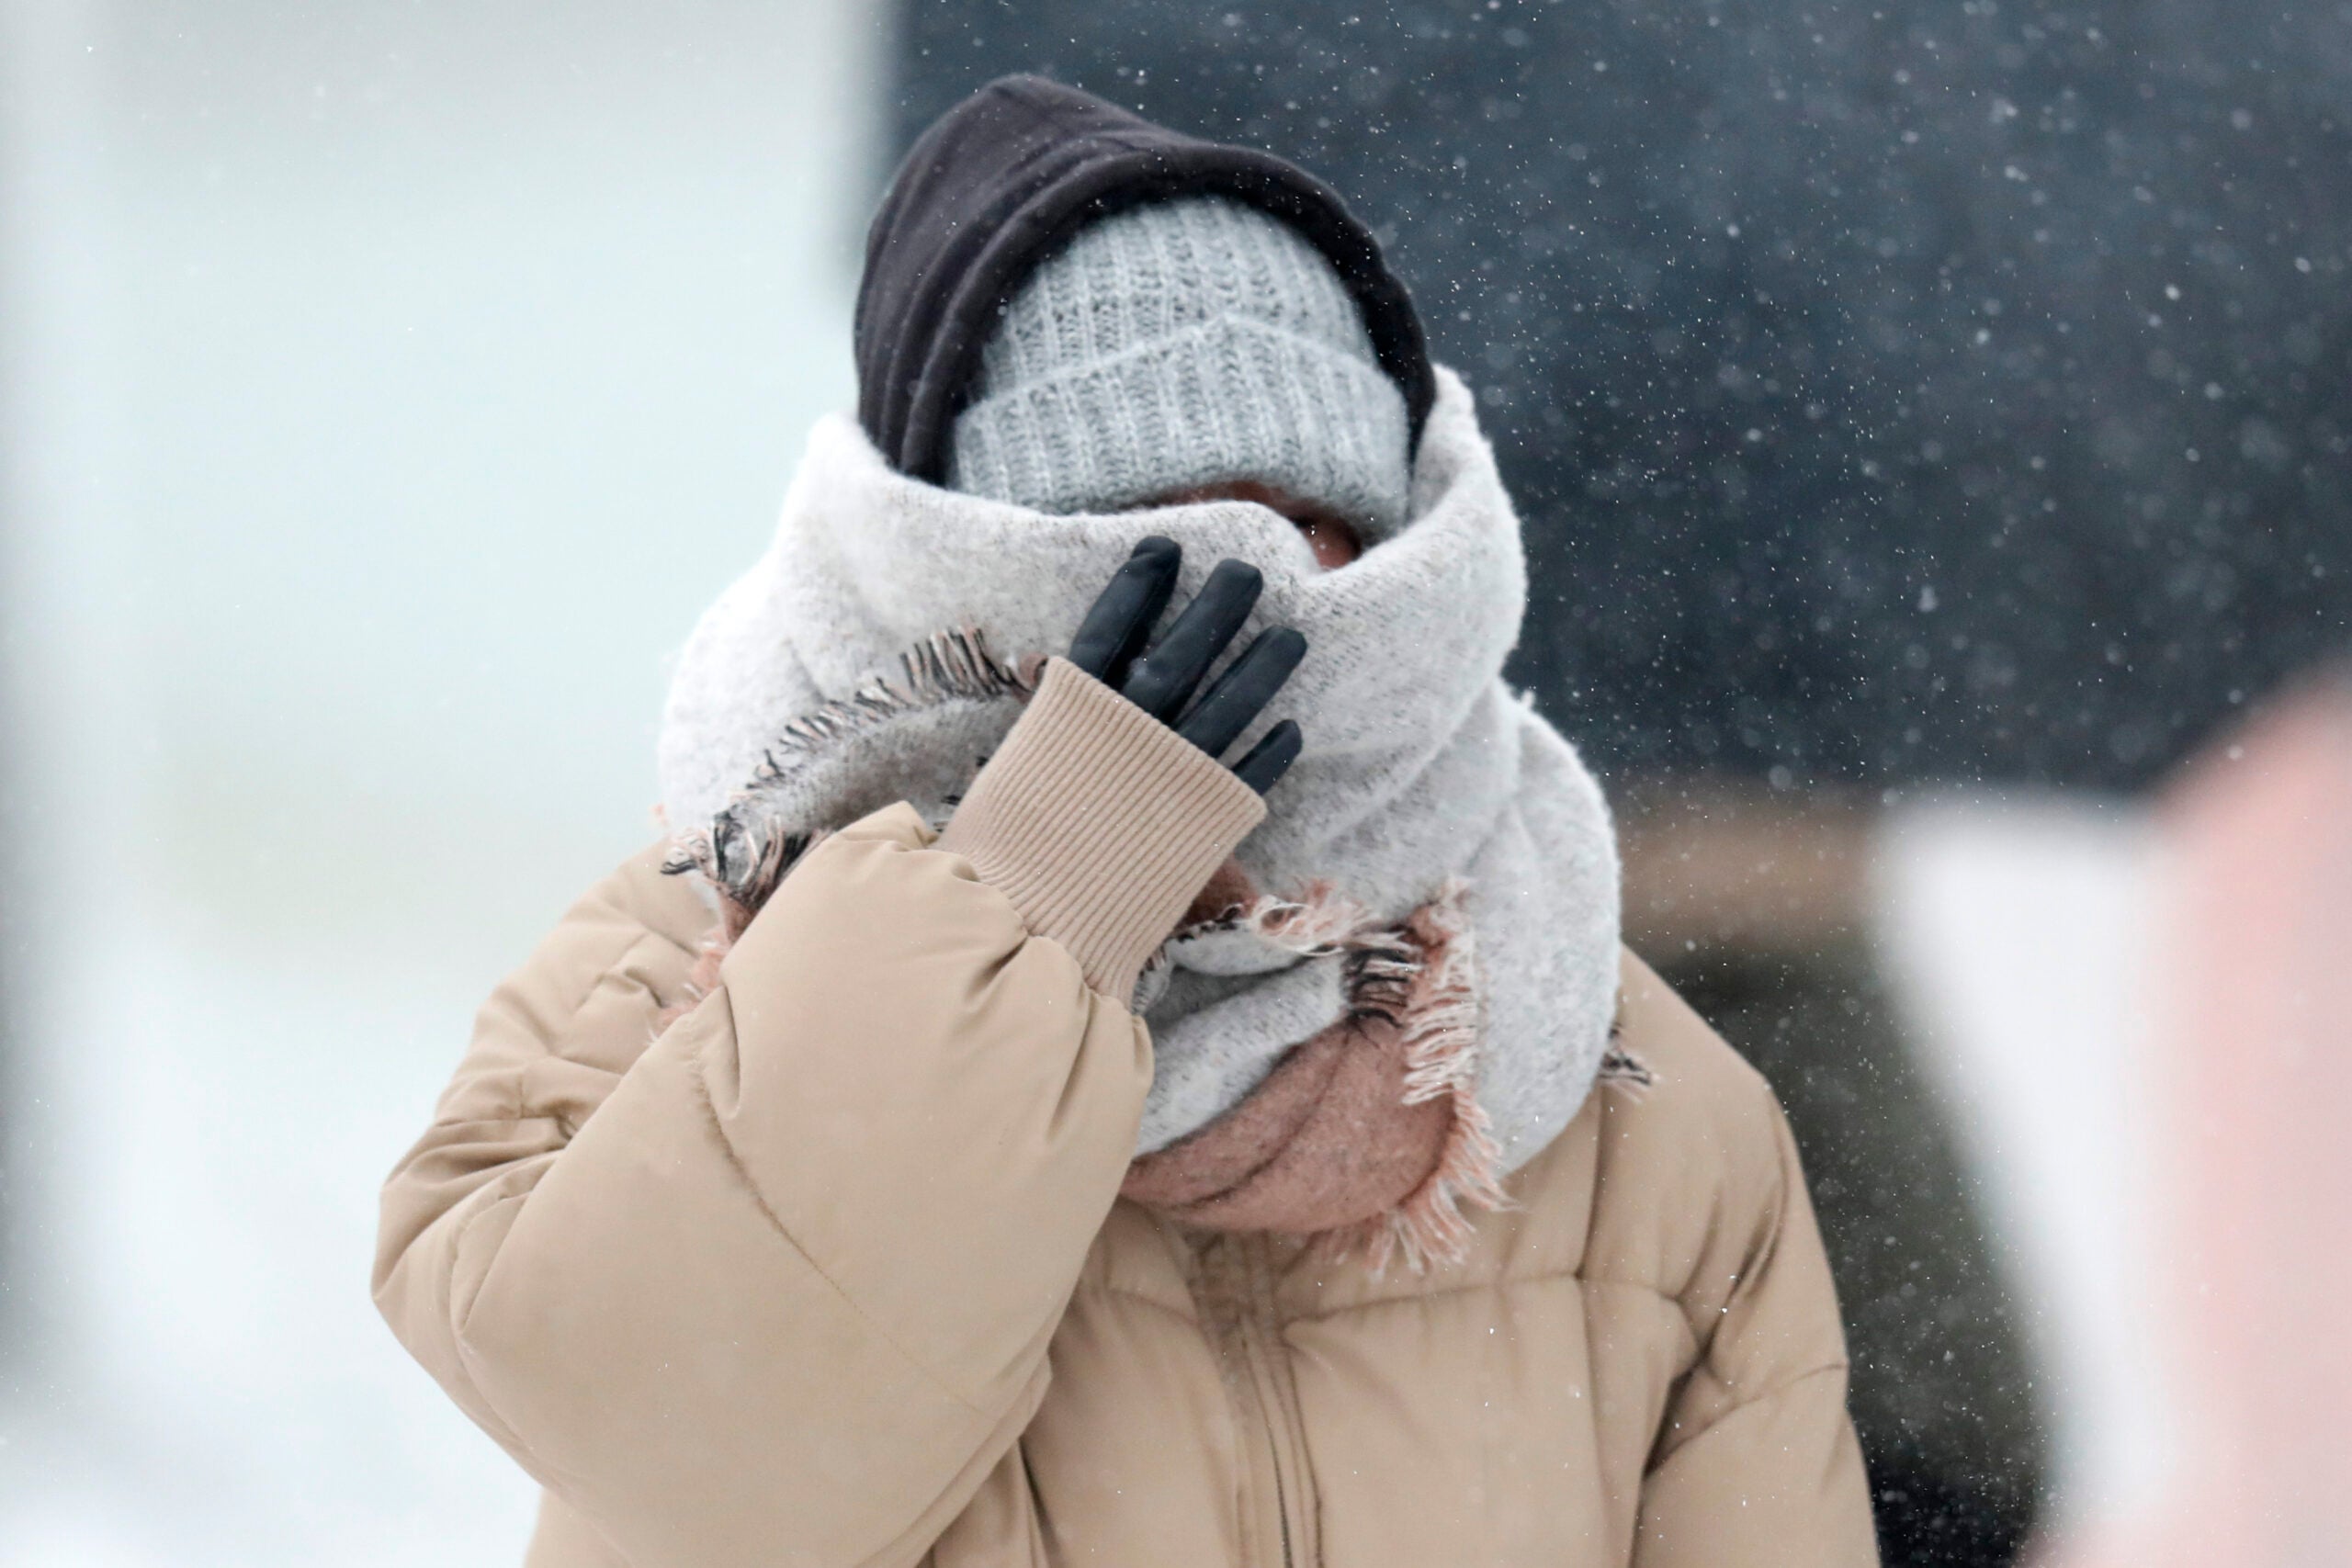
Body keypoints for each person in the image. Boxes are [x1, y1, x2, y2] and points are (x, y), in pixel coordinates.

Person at [374, 76, 1876, 1567]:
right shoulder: (672, 969)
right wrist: (1033, 901)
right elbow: (689, 1461)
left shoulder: (1616, 1084)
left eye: (1299, 531)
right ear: (954, 552)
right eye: (1137, 539)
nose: (1243, 592)